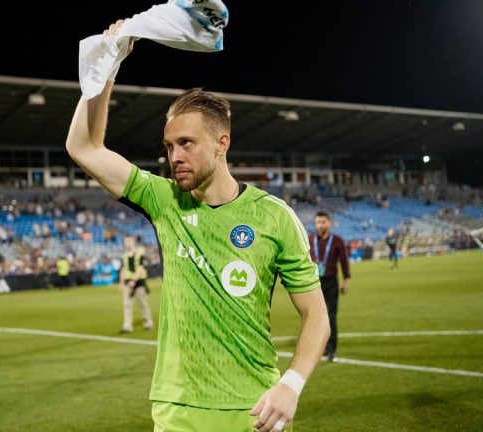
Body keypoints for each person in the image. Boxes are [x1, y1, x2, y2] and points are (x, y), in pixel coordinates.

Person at [66, 21, 329, 432]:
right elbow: (83, 147)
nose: (175, 156)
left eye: (187, 143)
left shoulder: (274, 216)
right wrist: (107, 66)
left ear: (222, 144)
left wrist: (291, 385)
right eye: (169, 146)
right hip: (177, 411)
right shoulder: (164, 200)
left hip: (255, 411)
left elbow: (316, 314)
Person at [309, 211, 351, 362]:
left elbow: (344, 261)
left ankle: (331, 350)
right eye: (318, 222)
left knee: (331, 317)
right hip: (314, 284)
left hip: (331, 283)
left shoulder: (337, 241)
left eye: (323, 222)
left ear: (330, 223)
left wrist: (346, 279)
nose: (320, 225)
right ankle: (317, 348)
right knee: (314, 317)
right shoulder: (310, 239)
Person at [119, 235, 154, 334]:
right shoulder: (124, 255)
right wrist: (121, 284)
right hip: (127, 283)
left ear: (132, 242)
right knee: (127, 305)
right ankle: (127, 326)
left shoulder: (140, 253)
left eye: (128, 241)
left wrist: (134, 281)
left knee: (143, 303)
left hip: (139, 282)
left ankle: (148, 322)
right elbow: (122, 270)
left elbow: (140, 268)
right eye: (125, 242)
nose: (127, 243)